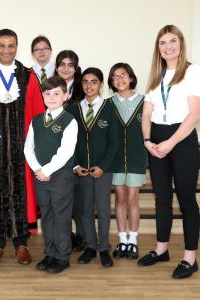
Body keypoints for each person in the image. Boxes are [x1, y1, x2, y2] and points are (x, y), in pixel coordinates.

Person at [137, 25, 200, 279]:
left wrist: (170, 142)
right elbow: (146, 113)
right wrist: (147, 140)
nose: (168, 46)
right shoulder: (156, 75)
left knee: (187, 200)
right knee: (162, 199)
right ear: (158, 48)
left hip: (182, 139)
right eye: (163, 43)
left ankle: (189, 258)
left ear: (180, 43)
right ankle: (161, 249)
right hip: (156, 139)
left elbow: (195, 114)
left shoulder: (192, 71)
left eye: (172, 41)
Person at [0, 28, 45, 265]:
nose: (6, 50)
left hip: (22, 146)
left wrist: (37, 145)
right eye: (2, 45)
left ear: (17, 47)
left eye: (11, 45)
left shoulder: (29, 76)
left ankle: (21, 242)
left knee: (22, 191)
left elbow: (38, 112)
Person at [24, 76, 78, 274]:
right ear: (43, 96)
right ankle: (50, 252)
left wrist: (46, 170)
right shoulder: (36, 120)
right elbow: (28, 147)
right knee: (46, 215)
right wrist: (38, 169)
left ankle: (62, 256)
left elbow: (65, 151)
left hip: (60, 177)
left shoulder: (69, 121)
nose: (52, 97)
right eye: (47, 93)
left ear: (65, 95)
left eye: (57, 93)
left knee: (61, 216)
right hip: (40, 176)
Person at [68, 67, 119, 267]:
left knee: (104, 210)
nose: (89, 86)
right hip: (82, 170)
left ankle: (104, 248)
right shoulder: (73, 109)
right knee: (85, 209)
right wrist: (75, 165)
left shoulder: (109, 108)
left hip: (102, 171)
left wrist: (103, 167)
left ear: (101, 85)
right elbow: (68, 142)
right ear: (81, 85)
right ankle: (90, 246)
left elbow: (114, 142)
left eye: (94, 81)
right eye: (85, 82)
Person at [108, 63, 147, 260]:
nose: (120, 79)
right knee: (120, 199)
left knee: (133, 199)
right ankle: (122, 239)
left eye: (123, 75)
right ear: (112, 82)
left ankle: (133, 240)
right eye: (115, 77)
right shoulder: (108, 104)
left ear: (131, 78)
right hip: (115, 161)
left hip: (136, 158)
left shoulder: (145, 101)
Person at [55, 50, 85, 250]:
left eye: (70, 65)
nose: (66, 68)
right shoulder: (50, 88)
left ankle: (82, 237)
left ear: (76, 68)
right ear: (56, 67)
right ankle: (64, 237)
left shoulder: (84, 89)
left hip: (80, 151)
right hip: (56, 153)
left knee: (80, 200)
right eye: (62, 64)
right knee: (61, 200)